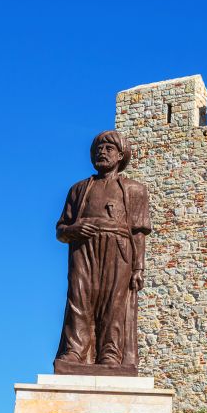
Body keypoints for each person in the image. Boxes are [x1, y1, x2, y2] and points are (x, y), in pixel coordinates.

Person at [53, 130, 151, 375]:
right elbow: (61, 229)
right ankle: (75, 350)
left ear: (120, 155)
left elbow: (138, 232)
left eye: (108, 149)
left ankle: (110, 353)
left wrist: (138, 267)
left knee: (114, 302)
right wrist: (75, 228)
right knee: (79, 298)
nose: (102, 152)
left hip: (118, 249)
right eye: (98, 148)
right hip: (83, 248)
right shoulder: (79, 189)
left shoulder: (134, 190)